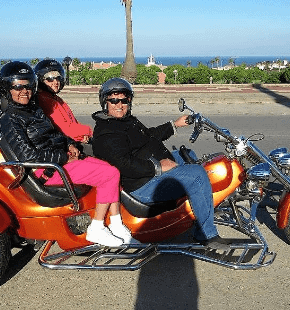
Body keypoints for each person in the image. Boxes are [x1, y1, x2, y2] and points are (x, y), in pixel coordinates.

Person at [0, 62, 131, 247]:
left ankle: (116, 222)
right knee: (110, 175)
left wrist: (69, 143)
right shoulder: (10, 119)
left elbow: (55, 132)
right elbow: (28, 157)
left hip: (59, 161)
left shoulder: (33, 109)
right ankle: (96, 228)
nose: (24, 91)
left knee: (110, 168)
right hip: (47, 171)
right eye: (18, 86)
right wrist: (64, 157)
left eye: (28, 85)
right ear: (7, 89)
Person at [91, 78, 230, 251]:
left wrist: (175, 125)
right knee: (196, 174)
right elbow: (123, 165)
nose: (119, 104)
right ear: (105, 102)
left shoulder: (123, 121)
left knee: (188, 155)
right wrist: (158, 167)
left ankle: (197, 208)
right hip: (141, 188)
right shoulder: (107, 132)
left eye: (124, 99)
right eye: (114, 100)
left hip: (149, 172)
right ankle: (207, 235)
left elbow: (148, 136)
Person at [34, 59, 92, 143]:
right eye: (50, 79)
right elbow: (66, 130)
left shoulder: (55, 98)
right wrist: (89, 131)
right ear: (41, 80)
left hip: (71, 140)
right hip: (64, 144)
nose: (56, 82)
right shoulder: (46, 101)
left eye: (58, 78)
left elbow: (73, 122)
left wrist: (83, 134)